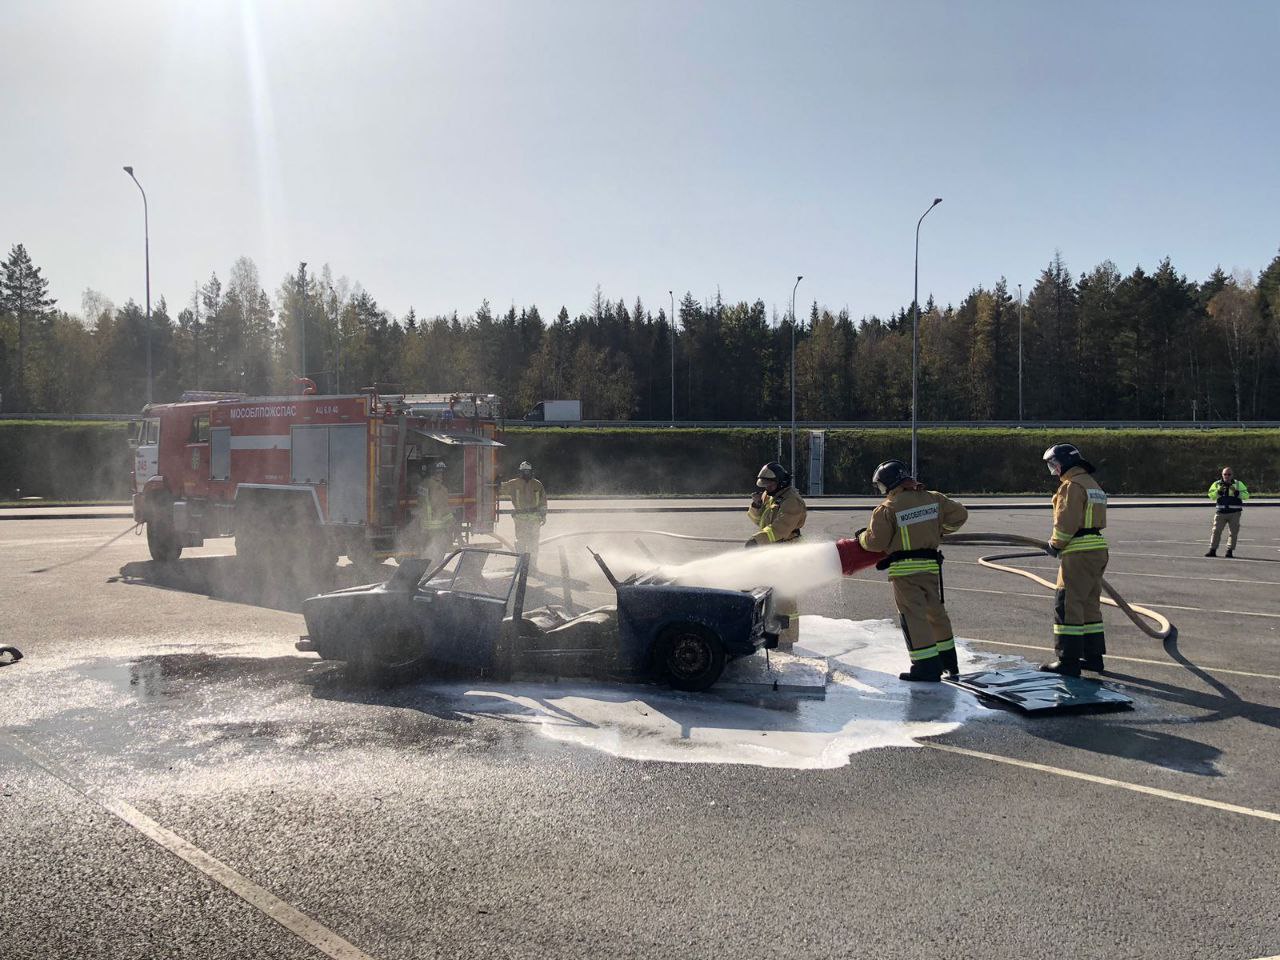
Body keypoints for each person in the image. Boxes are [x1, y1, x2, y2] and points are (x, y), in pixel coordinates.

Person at [857, 460, 968, 681]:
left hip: (905, 572)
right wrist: (939, 530)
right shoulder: (933, 498)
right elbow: (960, 515)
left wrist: (860, 538)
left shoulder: (888, 508)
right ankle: (948, 662)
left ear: (889, 484)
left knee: (914, 616)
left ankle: (926, 666)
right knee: (935, 614)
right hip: (929, 567)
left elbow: (876, 543)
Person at [1040, 443, 1108, 676]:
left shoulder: (1071, 486)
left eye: (1054, 465)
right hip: (1097, 549)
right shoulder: (1092, 484)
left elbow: (1066, 522)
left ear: (1065, 463)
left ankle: (1068, 661)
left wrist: (1054, 544)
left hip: (1078, 551)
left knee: (1067, 604)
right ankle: (1093, 658)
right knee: (1089, 605)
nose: (1054, 471)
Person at [745, 461, 807, 649]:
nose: (766, 488)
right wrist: (756, 505)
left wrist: (757, 540)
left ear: (780, 482)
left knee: (785, 600)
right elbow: (760, 521)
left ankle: (785, 640)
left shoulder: (792, 501)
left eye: (769, 484)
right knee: (769, 596)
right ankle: (770, 635)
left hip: (787, 553)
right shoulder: (771, 496)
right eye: (764, 485)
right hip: (772, 553)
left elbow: (780, 528)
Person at [500, 460, 548, 570]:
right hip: (520, 517)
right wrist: (498, 481)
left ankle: (532, 566)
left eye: (527, 471)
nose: (526, 474)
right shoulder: (513, 483)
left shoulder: (537, 484)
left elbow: (543, 501)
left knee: (533, 543)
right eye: (524, 471)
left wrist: (543, 515)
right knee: (521, 542)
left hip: (534, 517)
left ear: (531, 472)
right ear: (520, 472)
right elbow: (499, 489)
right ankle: (520, 564)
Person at [417, 460, 458, 564]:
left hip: (424, 525)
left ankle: (423, 569)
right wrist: (452, 520)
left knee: (425, 550)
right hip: (437, 527)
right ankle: (433, 571)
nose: (442, 475)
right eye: (441, 473)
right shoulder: (440, 488)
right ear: (437, 473)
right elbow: (441, 507)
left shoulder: (423, 484)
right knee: (437, 552)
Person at [1206, 466, 1249, 558]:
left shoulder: (1238, 484)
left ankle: (1229, 551)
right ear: (1222, 475)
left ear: (1232, 475)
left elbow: (1246, 496)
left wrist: (1236, 492)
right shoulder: (1217, 484)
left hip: (1234, 513)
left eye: (1229, 474)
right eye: (1225, 474)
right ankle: (1212, 550)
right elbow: (1211, 496)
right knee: (1216, 531)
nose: (1227, 476)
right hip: (1220, 512)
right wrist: (1218, 492)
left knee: (1233, 533)